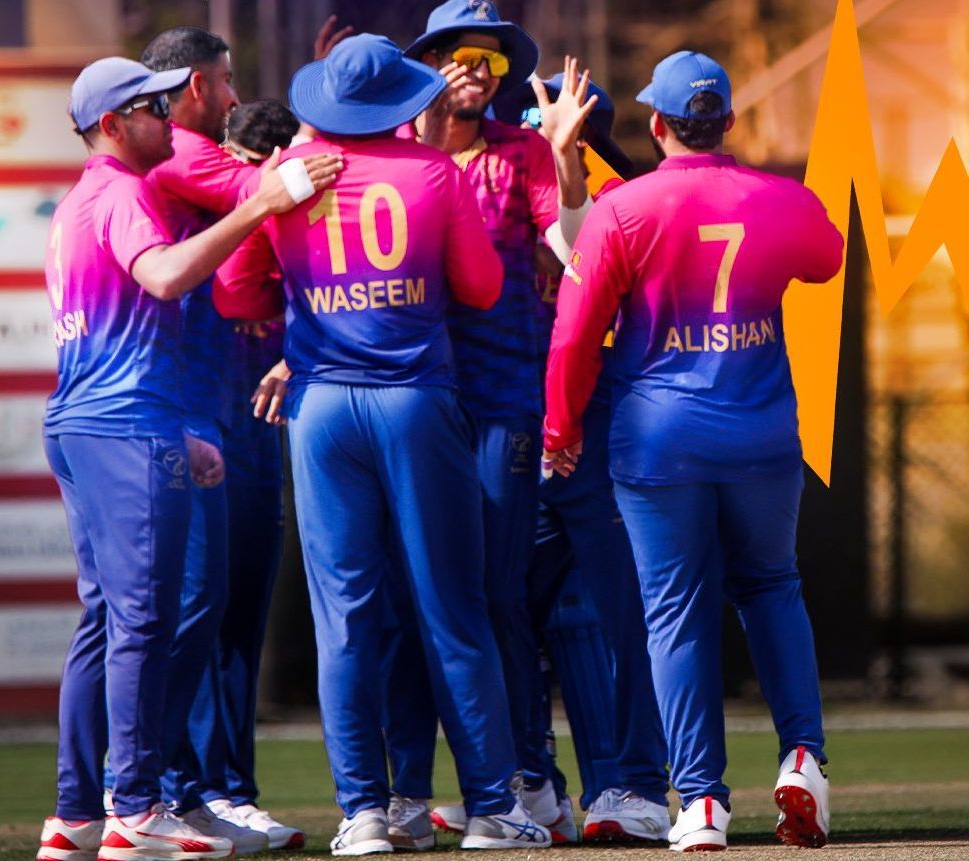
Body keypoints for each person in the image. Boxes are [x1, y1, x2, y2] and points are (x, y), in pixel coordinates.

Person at [213, 33, 552, 855]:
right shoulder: (432, 172)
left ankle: (363, 811)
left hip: (323, 409)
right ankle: (489, 808)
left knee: (346, 619)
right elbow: (482, 287)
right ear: (398, 98)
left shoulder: (285, 178)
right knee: (453, 606)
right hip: (415, 402)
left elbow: (234, 293)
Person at [36, 55, 340, 861]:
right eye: (148, 108)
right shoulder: (127, 191)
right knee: (144, 619)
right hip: (124, 426)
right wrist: (263, 204)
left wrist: (179, 430)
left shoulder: (78, 202)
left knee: (107, 619)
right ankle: (136, 808)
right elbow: (166, 277)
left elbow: (122, 327)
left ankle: (76, 814)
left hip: (91, 423)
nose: (168, 119)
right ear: (110, 124)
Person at [542, 50, 843, 852]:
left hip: (658, 437)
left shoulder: (625, 209)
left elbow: (573, 332)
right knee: (773, 586)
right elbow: (828, 257)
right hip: (762, 433)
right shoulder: (782, 199)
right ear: (731, 123)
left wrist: (561, 429)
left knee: (673, 614)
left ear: (658, 125)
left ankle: (703, 802)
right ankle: (803, 755)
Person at [383, 1, 597, 844]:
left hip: (502, 400)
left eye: (491, 59)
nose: (477, 68)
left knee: (499, 598)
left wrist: (569, 155)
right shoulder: (395, 157)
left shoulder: (523, 152)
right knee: (410, 601)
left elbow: (573, 243)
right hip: (409, 405)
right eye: (457, 54)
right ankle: (403, 794)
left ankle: (522, 780)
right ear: (426, 65)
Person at [137, 26, 312, 851]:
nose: (236, 95)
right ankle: (165, 788)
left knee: (234, 603)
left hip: (235, 398)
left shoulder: (207, 157)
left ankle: (217, 790)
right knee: (195, 602)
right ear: (195, 85)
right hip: (187, 406)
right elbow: (283, 181)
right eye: (227, 80)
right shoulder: (174, 149)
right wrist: (334, 119)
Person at [495, 72, 672, 843]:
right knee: (506, 606)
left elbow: (589, 250)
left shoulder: (618, 194)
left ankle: (629, 785)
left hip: (593, 421)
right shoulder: (477, 179)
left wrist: (580, 153)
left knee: (612, 609)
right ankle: (533, 779)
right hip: (514, 419)